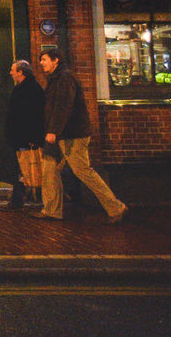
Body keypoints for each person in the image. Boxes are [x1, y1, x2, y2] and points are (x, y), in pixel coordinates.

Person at [34, 49, 127, 223]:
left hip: (72, 135)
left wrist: (53, 130)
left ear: (56, 60)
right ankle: (51, 210)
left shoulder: (65, 79)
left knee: (82, 170)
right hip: (61, 135)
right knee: (49, 169)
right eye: (41, 60)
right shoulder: (56, 78)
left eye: (44, 59)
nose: (41, 63)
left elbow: (63, 106)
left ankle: (115, 207)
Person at [4, 59, 45, 209]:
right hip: (22, 137)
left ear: (21, 72)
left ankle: (25, 197)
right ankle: (18, 198)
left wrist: (31, 137)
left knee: (26, 167)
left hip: (24, 137)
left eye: (13, 70)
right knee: (21, 168)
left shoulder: (26, 90)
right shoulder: (29, 88)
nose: (10, 73)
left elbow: (30, 116)